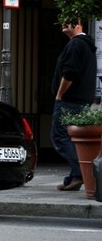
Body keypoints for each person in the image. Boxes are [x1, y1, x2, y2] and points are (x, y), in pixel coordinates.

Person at [50, 20, 97, 191]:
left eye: (69, 20)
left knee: (59, 136)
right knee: (71, 139)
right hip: (82, 100)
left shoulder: (76, 45)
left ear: (79, 24)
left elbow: (69, 73)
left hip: (69, 101)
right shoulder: (86, 45)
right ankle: (75, 177)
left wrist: (59, 95)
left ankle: (81, 172)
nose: (63, 23)